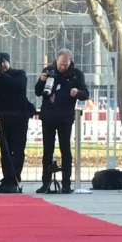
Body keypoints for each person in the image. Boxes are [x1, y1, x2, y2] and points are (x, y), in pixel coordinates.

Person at [34, 50, 88, 193]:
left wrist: (77, 92)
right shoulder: (49, 71)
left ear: (70, 62)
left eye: (65, 65)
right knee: (47, 150)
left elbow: (85, 94)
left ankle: (66, 184)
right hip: (48, 116)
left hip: (65, 116)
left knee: (66, 150)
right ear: (56, 61)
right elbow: (38, 91)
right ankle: (45, 182)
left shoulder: (76, 74)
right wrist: (41, 80)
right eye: (60, 64)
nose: (62, 67)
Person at [0, 53, 33, 193]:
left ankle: (15, 178)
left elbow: (18, 86)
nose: (1, 65)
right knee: (5, 150)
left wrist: (0, 75)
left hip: (19, 117)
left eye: (3, 62)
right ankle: (6, 177)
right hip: (4, 117)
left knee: (18, 150)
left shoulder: (18, 74)